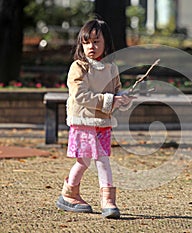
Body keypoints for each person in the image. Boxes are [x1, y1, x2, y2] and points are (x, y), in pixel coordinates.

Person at [56, 18, 133, 219]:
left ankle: (95, 198)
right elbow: (80, 96)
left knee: (98, 160)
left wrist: (123, 99)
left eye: (97, 41)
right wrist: (111, 101)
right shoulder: (78, 67)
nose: (91, 46)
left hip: (103, 124)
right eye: (86, 42)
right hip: (83, 121)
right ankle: (78, 195)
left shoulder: (111, 67)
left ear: (106, 42)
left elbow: (115, 91)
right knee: (87, 161)